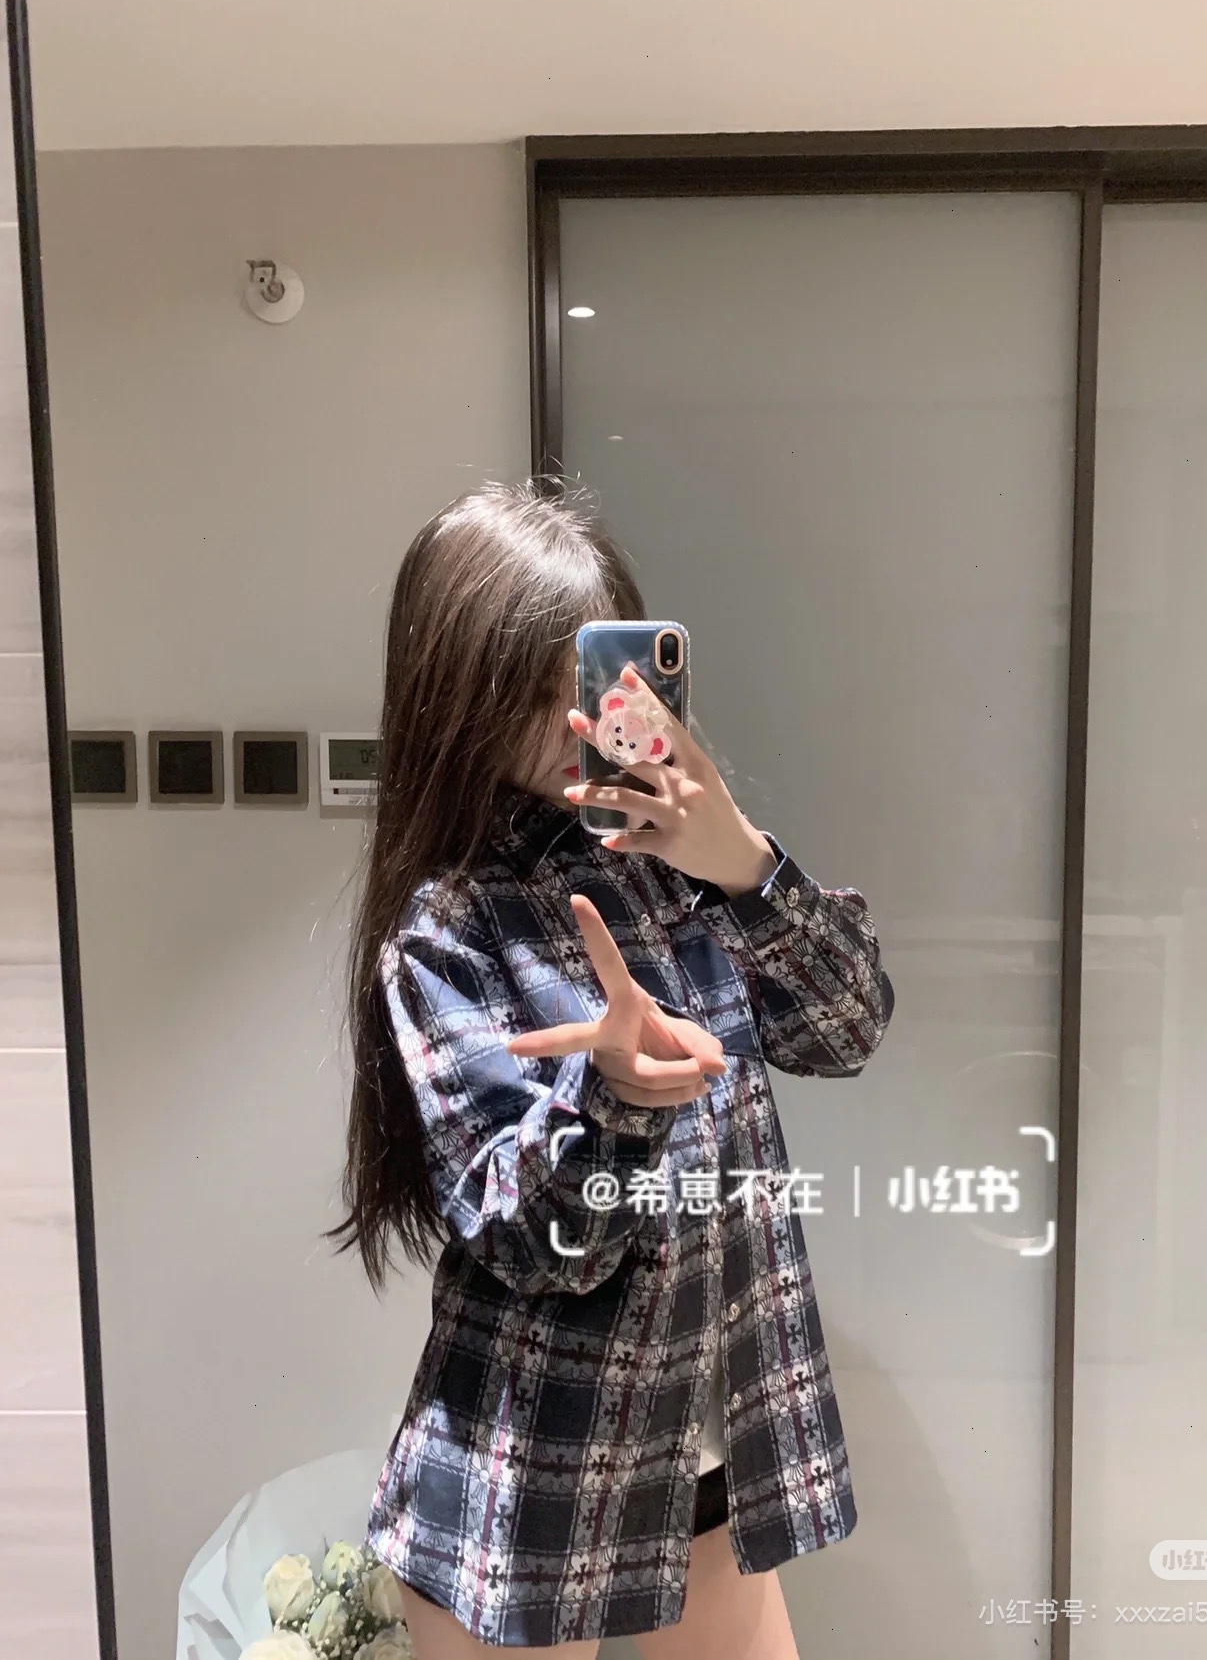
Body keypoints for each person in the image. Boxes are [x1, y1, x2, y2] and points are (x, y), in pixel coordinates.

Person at [333, 480, 895, 1657]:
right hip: (535, 1476)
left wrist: (743, 862)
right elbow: (533, 1243)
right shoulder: (449, 927)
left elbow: (847, 1029)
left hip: (706, 1444)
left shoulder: (688, 865)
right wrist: (614, 1101)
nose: (574, 719)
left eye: (589, 679)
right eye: (529, 689)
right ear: (458, 698)